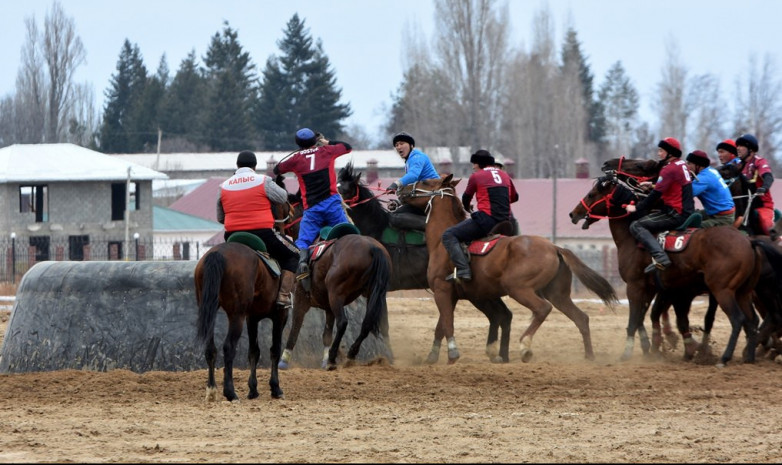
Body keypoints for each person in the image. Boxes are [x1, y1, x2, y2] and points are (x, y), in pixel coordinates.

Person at [217, 150, 299, 308]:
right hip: (263, 235)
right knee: (293, 257)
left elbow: (220, 217)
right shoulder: (263, 180)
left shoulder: (223, 186)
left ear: (237, 166)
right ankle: (283, 296)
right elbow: (282, 197)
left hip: (232, 236)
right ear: (254, 166)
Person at [273, 128, 353, 280]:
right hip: (333, 205)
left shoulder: (295, 159)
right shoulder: (328, 151)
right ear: (314, 141)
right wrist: (326, 142)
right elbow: (347, 147)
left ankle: (303, 263)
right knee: (348, 232)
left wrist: (298, 152)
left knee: (303, 240)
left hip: (312, 209)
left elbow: (278, 168)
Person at [441, 149, 519, 282]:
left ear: (479, 164)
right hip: (507, 222)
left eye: (474, 164)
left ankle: (463, 270)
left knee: (448, 235)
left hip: (487, 221)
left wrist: (467, 209)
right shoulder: (505, 176)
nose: (473, 167)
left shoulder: (476, 176)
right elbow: (514, 197)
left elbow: (466, 198)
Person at [625, 137, 694, 273]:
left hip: (675, 214)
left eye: (661, 151)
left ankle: (661, 257)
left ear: (670, 153)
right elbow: (670, 185)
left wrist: (636, 208)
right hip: (687, 210)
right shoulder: (681, 164)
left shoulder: (668, 169)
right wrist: (650, 185)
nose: (658, 154)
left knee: (636, 226)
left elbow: (655, 195)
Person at [386, 132, 440, 230]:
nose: (398, 147)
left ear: (411, 145)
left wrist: (395, 184)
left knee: (395, 217)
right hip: (425, 198)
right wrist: (398, 202)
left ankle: (433, 228)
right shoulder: (409, 161)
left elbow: (413, 176)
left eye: (402, 143)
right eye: (396, 145)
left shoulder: (418, 157)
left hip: (432, 199)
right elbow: (413, 189)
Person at [736, 133, 775, 235]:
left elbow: (768, 177)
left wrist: (764, 187)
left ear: (751, 150)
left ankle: (778, 243)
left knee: (767, 227)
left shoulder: (759, 162)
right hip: (744, 207)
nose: (738, 148)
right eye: (737, 146)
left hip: (762, 206)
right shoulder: (739, 165)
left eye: (741, 146)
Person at [685, 149, 735, 227]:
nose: (687, 166)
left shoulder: (703, 178)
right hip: (719, 211)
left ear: (698, 165)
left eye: (689, 163)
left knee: (691, 228)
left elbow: (685, 195)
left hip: (722, 218)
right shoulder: (711, 170)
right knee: (689, 217)